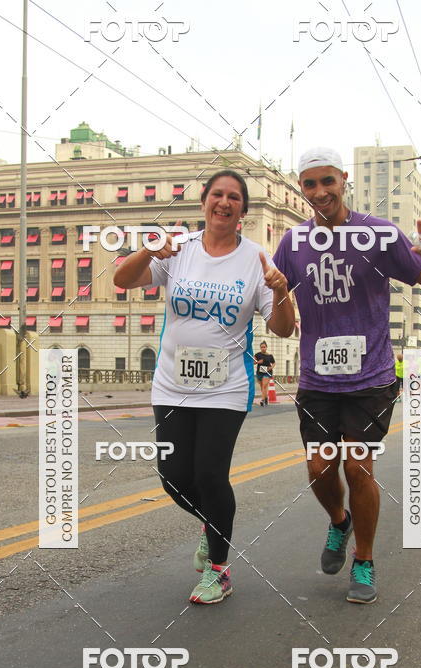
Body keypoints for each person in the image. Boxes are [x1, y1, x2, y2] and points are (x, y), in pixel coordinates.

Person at [273, 147, 421, 604]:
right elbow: (282, 321)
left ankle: (365, 560)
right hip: (317, 379)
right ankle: (339, 522)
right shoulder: (292, 243)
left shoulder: (379, 234)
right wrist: (278, 295)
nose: (320, 192)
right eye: (310, 184)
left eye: (327, 181)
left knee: (357, 465)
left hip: (370, 376)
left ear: (343, 181)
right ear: (302, 189)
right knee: (319, 468)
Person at [114, 170, 294, 604]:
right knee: (174, 478)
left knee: (210, 475)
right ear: (204, 202)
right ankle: (212, 524)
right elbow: (123, 280)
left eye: (234, 197)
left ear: (243, 211)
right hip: (171, 384)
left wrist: (282, 291)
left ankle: (219, 571)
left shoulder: (257, 259)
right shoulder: (179, 249)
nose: (224, 202)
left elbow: (284, 329)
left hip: (226, 386)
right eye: (217, 194)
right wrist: (148, 249)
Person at [254, 340, 275, 406]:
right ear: (260, 348)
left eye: (264, 347)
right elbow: (252, 362)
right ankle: (266, 398)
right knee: (262, 387)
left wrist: (271, 367)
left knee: (264, 385)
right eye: (262, 347)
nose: (263, 348)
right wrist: (258, 362)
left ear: (266, 347)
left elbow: (273, 363)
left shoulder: (270, 356)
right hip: (259, 372)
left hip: (267, 372)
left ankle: (262, 400)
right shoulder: (257, 355)